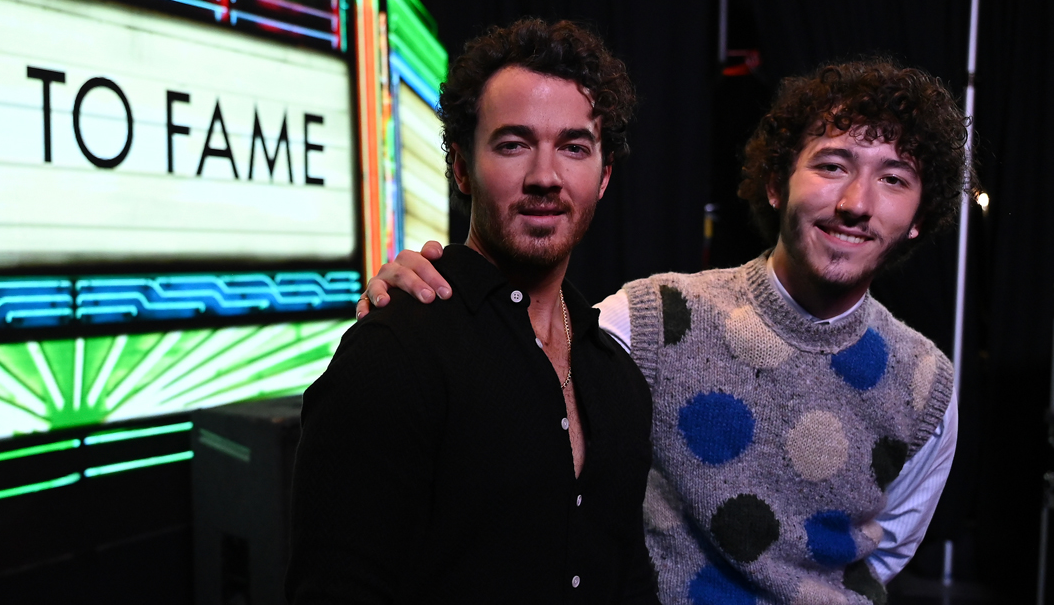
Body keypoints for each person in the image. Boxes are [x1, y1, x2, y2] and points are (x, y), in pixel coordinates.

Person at [360, 58, 965, 604]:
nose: (857, 201)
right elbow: (508, 386)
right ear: (777, 185)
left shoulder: (925, 384)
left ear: (919, 216)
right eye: (832, 166)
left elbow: (885, 553)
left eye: (894, 179)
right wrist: (420, 295)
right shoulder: (652, 318)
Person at [286, 18, 659, 603]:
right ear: (461, 167)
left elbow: (626, 578)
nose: (545, 176)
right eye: (513, 144)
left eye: (573, 147)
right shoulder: (395, 350)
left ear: (604, 175)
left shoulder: (615, 373)